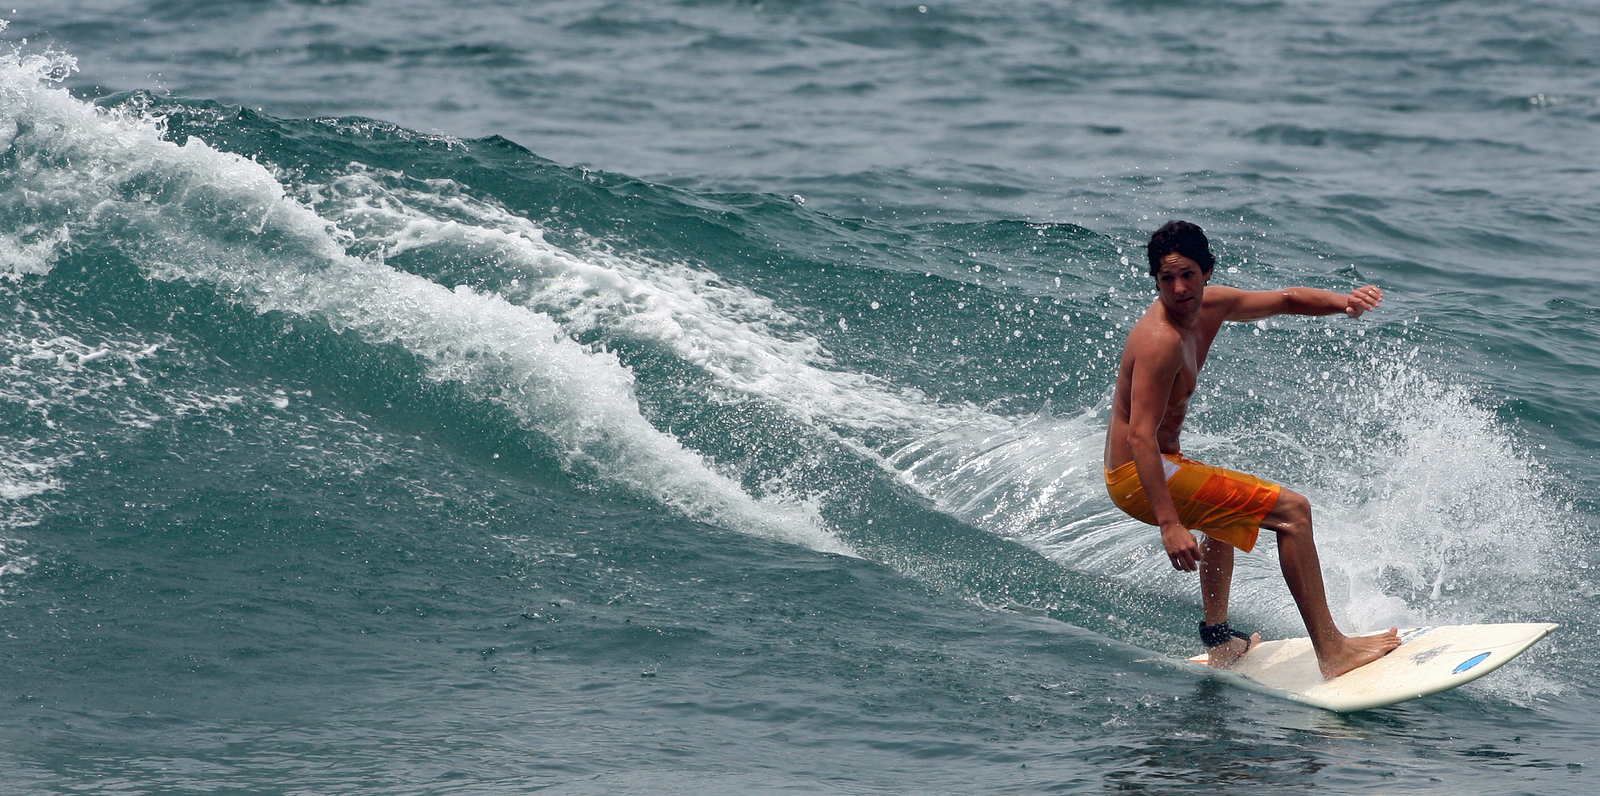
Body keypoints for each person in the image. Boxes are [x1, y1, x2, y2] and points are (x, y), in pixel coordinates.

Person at [1103, 220, 1401, 679]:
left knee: (1222, 516)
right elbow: (1140, 436)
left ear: (1207, 272)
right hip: (1137, 474)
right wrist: (1169, 524)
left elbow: (1286, 300)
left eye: (1187, 275)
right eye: (1166, 279)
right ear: (1156, 280)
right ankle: (1333, 651)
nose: (1179, 288)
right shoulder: (1160, 341)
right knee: (1294, 512)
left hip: (1161, 464)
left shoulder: (1213, 305)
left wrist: (1345, 303)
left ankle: (1221, 643)